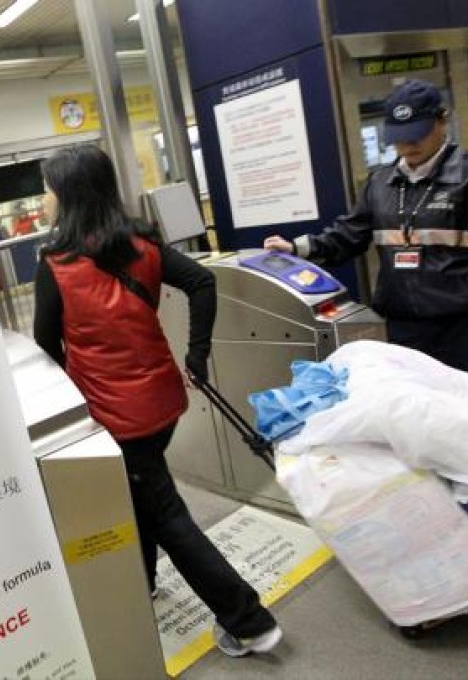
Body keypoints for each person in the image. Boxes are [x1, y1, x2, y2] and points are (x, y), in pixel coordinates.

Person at [33, 145, 281, 657]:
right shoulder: (142, 245)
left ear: (69, 195)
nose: (45, 196)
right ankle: (141, 580)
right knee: (139, 491)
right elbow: (202, 282)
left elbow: (44, 341)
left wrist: (82, 381)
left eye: (49, 187)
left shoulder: (56, 265)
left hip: (114, 416)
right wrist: (197, 355)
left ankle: (249, 621)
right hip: (162, 402)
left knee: (167, 514)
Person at [265, 79, 468, 392]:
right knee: (415, 410)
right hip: (403, 325)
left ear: (442, 121)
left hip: (466, 327)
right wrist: (297, 248)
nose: (408, 146)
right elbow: (349, 234)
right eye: (399, 138)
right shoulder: (380, 183)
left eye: (417, 134)